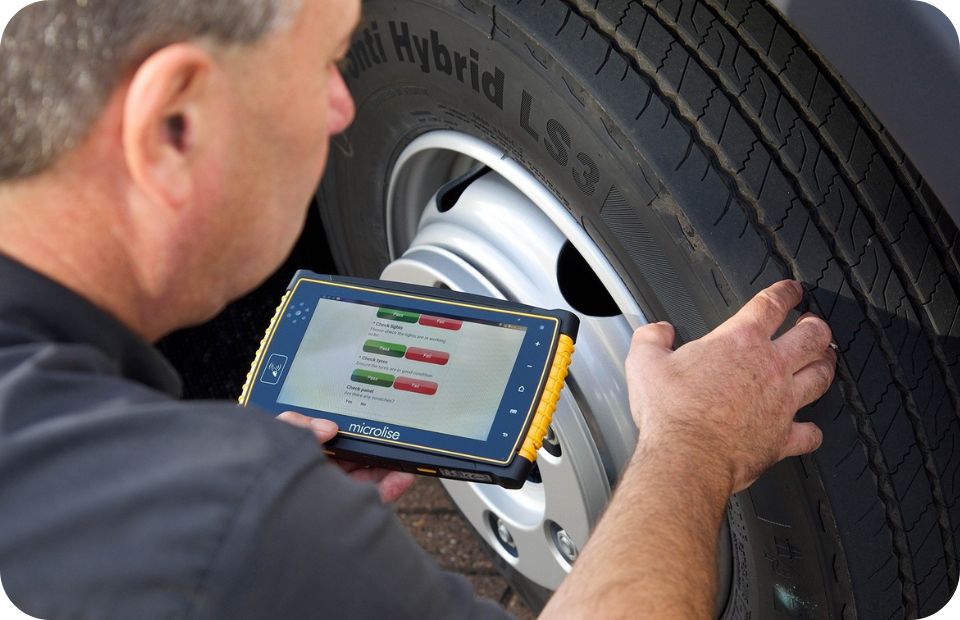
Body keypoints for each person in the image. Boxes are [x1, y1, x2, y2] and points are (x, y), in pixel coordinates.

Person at [0, 0, 836, 618]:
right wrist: (694, 446)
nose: (345, 106)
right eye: (327, 64)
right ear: (173, 123)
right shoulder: (225, 521)